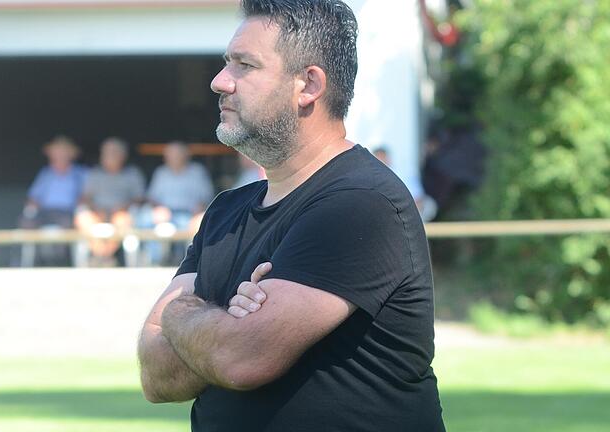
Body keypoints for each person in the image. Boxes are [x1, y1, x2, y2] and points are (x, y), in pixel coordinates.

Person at [137, 1, 445, 431]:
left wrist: (177, 314)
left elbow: (240, 359)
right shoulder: (226, 212)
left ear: (308, 85)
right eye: (228, 63)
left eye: (245, 65)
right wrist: (224, 319)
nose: (220, 82)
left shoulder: (361, 204)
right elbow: (155, 375)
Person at [74, 137, 145, 266]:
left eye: (113, 152)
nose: (109, 155)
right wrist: (96, 209)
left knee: (122, 220)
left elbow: (139, 198)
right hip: (97, 212)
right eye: (106, 152)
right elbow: (85, 197)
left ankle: (104, 256)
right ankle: (102, 256)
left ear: (123, 155)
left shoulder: (132, 174)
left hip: (121, 212)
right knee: (83, 218)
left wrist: (123, 206)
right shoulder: (95, 173)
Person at [141, 141, 214, 264]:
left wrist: (199, 210)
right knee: (145, 219)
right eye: (171, 154)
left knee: (198, 223)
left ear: (186, 155)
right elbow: (151, 197)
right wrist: (158, 208)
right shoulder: (161, 172)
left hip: (189, 214)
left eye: (178, 154)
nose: (175, 157)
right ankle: (155, 261)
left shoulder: (197, 172)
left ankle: (185, 262)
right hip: (165, 213)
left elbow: (207, 197)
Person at [19, 135, 86, 266]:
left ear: (71, 154)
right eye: (57, 151)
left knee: (67, 224)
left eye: (63, 151)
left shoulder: (80, 173)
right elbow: (33, 196)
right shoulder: (45, 173)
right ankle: (30, 262)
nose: (60, 155)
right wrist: (32, 204)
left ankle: (60, 262)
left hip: (68, 212)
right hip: (45, 212)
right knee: (27, 221)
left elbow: (88, 194)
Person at [373, 146, 438, 221]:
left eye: (382, 157)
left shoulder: (403, 174)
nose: (381, 161)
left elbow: (417, 200)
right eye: (378, 158)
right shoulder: (369, 177)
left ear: (387, 158)